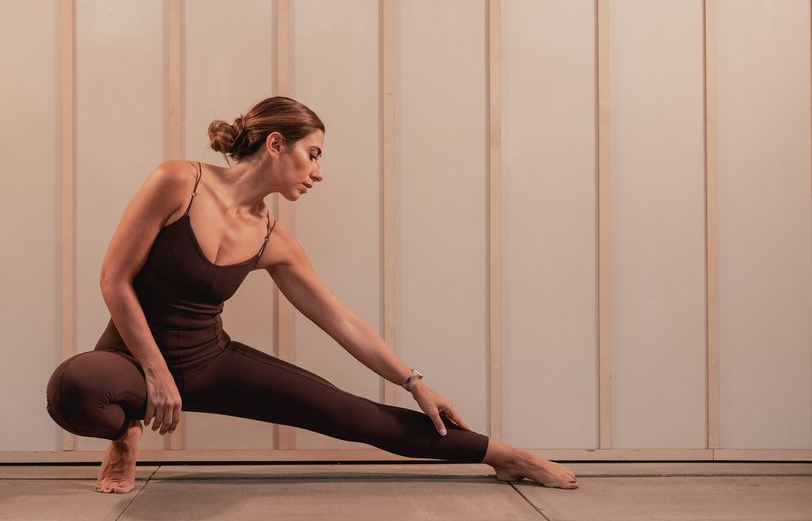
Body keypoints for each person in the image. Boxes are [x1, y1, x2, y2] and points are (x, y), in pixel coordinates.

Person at [45, 96, 578, 493]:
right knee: (74, 388)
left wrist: (414, 381)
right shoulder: (178, 181)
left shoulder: (273, 239)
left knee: (351, 415)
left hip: (210, 363)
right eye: (313, 154)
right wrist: (156, 375)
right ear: (276, 144)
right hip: (132, 360)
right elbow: (113, 278)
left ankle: (504, 454)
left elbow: (342, 321)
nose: (319, 172)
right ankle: (127, 430)